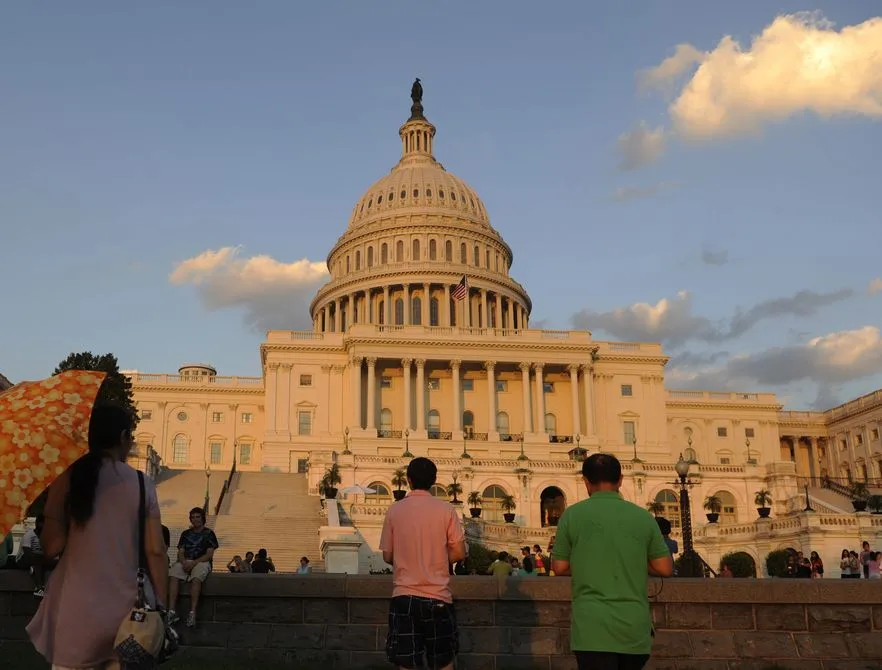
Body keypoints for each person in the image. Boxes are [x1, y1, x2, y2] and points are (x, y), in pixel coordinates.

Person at [27, 402, 169, 669]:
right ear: (123, 437)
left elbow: (51, 547)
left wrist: (54, 507)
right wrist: (163, 606)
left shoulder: (69, 478)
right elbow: (156, 551)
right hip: (129, 614)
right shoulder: (142, 483)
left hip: (76, 609)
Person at [551, 453, 673, 670]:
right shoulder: (643, 517)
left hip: (591, 629)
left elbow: (559, 567)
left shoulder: (571, 515)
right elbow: (664, 567)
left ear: (586, 481)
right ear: (621, 480)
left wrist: (588, 559)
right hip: (633, 628)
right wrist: (633, 559)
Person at [379, 457, 467, 670]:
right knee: (443, 662)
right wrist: (438, 559)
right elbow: (459, 552)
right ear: (434, 480)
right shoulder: (446, 510)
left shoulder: (395, 511)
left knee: (407, 663)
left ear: (408, 480)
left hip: (404, 597)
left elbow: (387, 556)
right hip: (438, 597)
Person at [167, 507, 219, 628]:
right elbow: (180, 551)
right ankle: (171, 611)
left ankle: (192, 612)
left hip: (201, 561)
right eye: (193, 517)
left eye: (198, 517)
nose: (195, 519)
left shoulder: (209, 533)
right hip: (186, 560)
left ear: (202, 518)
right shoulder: (185, 534)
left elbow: (209, 554)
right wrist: (183, 562)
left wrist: (194, 563)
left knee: (196, 578)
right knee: (173, 574)